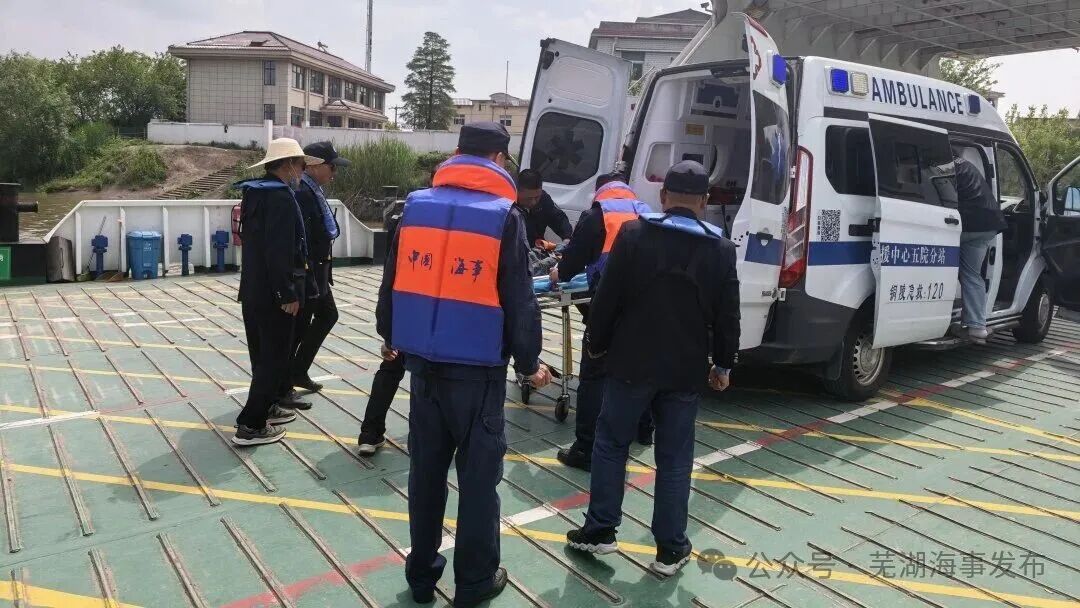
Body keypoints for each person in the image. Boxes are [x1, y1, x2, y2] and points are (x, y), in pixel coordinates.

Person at [376, 122, 552, 607]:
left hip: (423, 369)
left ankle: (421, 577)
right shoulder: (504, 216)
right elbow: (519, 299)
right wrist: (529, 363)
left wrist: (389, 335)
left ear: (457, 152)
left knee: (425, 476)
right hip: (477, 374)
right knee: (477, 483)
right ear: (499, 159)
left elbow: (393, 277)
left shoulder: (415, 206)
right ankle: (473, 583)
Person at [565, 161, 740, 577]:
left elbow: (607, 299)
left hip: (630, 364)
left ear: (663, 197)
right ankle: (670, 548)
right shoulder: (720, 249)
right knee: (675, 459)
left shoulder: (634, 235)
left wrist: (597, 345)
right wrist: (723, 364)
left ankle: (600, 530)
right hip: (684, 372)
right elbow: (727, 316)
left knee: (611, 444)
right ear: (704, 201)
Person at [549, 172, 654, 471]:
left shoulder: (597, 216)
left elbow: (571, 263)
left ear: (600, 191)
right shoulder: (647, 213)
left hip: (608, 308)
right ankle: (644, 431)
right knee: (640, 371)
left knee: (594, 376)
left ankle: (585, 449)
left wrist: (558, 272)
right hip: (647, 308)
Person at [232, 138, 323, 446]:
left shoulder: (254, 193)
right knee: (274, 359)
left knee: (262, 356)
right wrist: (288, 294)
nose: (302, 171)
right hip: (275, 294)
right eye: (300, 165)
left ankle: (268, 405)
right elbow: (280, 251)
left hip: (253, 290)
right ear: (287, 165)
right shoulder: (281, 198)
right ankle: (251, 424)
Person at [287, 141, 348, 396]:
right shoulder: (301, 193)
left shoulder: (314, 192)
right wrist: (304, 276)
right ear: (314, 165)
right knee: (298, 328)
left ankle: (297, 371)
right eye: (332, 167)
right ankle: (284, 383)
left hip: (319, 272)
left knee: (328, 315)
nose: (334, 173)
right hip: (308, 274)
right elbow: (299, 240)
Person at [356, 198, 407, 456]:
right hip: (440, 318)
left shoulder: (409, 216)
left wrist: (387, 332)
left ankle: (370, 433)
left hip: (406, 309)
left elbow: (390, 277)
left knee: (390, 368)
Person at [953, 151, 1007, 345]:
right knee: (972, 274)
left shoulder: (946, 167)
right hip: (989, 225)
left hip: (968, 224)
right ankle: (977, 328)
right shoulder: (966, 165)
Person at [515, 168, 572, 247]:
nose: (533, 202)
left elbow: (558, 218)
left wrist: (567, 237)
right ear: (517, 192)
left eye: (537, 197)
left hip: (537, 247)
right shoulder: (509, 205)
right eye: (528, 198)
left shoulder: (544, 199)